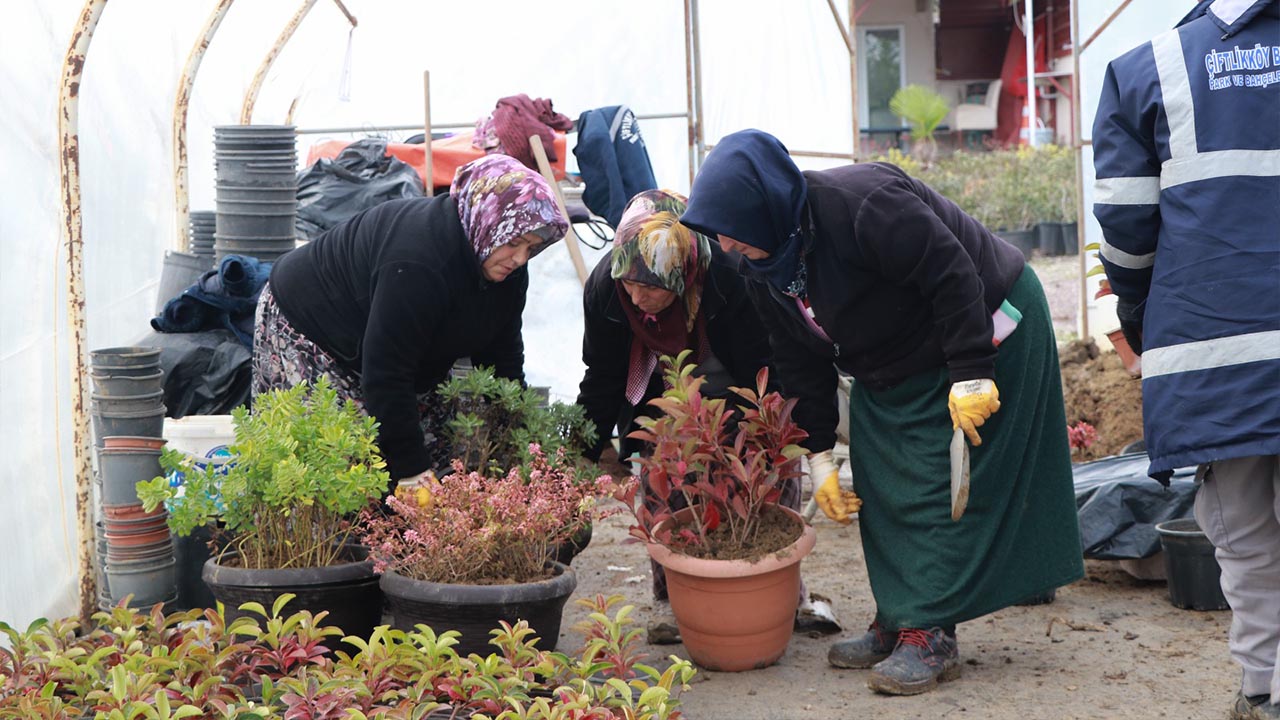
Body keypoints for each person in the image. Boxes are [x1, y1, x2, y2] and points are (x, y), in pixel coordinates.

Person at [680, 129, 1084, 696]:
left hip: (987, 323)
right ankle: (899, 614)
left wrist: (971, 372)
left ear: (767, 205)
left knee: (932, 483)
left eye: (733, 233)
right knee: (877, 470)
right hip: (898, 357)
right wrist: (818, 453)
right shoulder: (765, 265)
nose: (725, 246)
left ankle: (930, 632)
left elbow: (952, 275)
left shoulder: (863, 206)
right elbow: (796, 354)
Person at [1092, 1, 1280, 716]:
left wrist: (1140, 314)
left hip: (1214, 349)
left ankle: (1262, 686)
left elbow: (1128, 229)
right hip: (1218, 347)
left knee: (1240, 528)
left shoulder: (1151, 67)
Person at [253, 154, 568, 490]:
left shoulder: (507, 268)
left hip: (389, 348)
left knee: (437, 459)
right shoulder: (420, 261)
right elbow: (387, 371)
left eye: (531, 248)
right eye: (513, 242)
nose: (520, 258)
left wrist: (521, 448)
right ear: (485, 220)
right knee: (346, 462)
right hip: (311, 324)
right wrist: (411, 471)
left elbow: (503, 357)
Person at [576, 189, 797, 603]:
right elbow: (601, 379)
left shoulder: (732, 276)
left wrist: (765, 438)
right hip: (665, 402)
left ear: (686, 273)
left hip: (736, 387)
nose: (638, 297)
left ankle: (771, 598)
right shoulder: (607, 288)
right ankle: (677, 602)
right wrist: (576, 462)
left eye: (653, 287)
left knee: (755, 487)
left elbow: (765, 368)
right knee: (666, 482)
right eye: (630, 283)